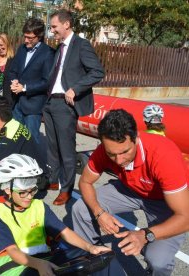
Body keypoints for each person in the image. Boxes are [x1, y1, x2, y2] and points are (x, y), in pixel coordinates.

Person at [72, 109, 189, 276]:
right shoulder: (105, 150)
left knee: (158, 261)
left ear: (136, 138)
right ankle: (95, 258)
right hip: (130, 189)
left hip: (165, 200)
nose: (119, 160)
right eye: (112, 154)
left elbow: (186, 218)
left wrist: (145, 234)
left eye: (125, 152)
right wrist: (99, 213)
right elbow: (85, 182)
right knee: (81, 209)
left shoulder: (163, 155)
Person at [0, 154, 112, 275]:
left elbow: (64, 231)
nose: (29, 196)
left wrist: (90, 247)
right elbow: (13, 251)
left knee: (100, 257)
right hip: (14, 269)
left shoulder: (39, 206)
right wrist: (39, 264)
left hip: (45, 260)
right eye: (23, 193)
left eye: (33, 191)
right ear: (7, 189)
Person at [43, 9, 105, 205]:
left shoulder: (81, 45)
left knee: (66, 148)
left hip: (65, 104)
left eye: (54, 26)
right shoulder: (59, 48)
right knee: (52, 147)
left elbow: (97, 72)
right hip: (50, 102)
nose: (52, 30)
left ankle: (67, 189)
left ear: (66, 24)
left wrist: (75, 89)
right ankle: (53, 180)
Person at [8, 18, 54, 144]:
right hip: (17, 104)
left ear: (39, 36)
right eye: (25, 36)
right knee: (15, 139)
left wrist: (24, 88)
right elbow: (13, 70)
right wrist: (14, 81)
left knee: (31, 141)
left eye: (30, 37)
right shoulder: (22, 49)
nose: (26, 40)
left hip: (34, 107)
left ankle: (32, 163)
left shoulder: (48, 53)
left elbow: (47, 82)